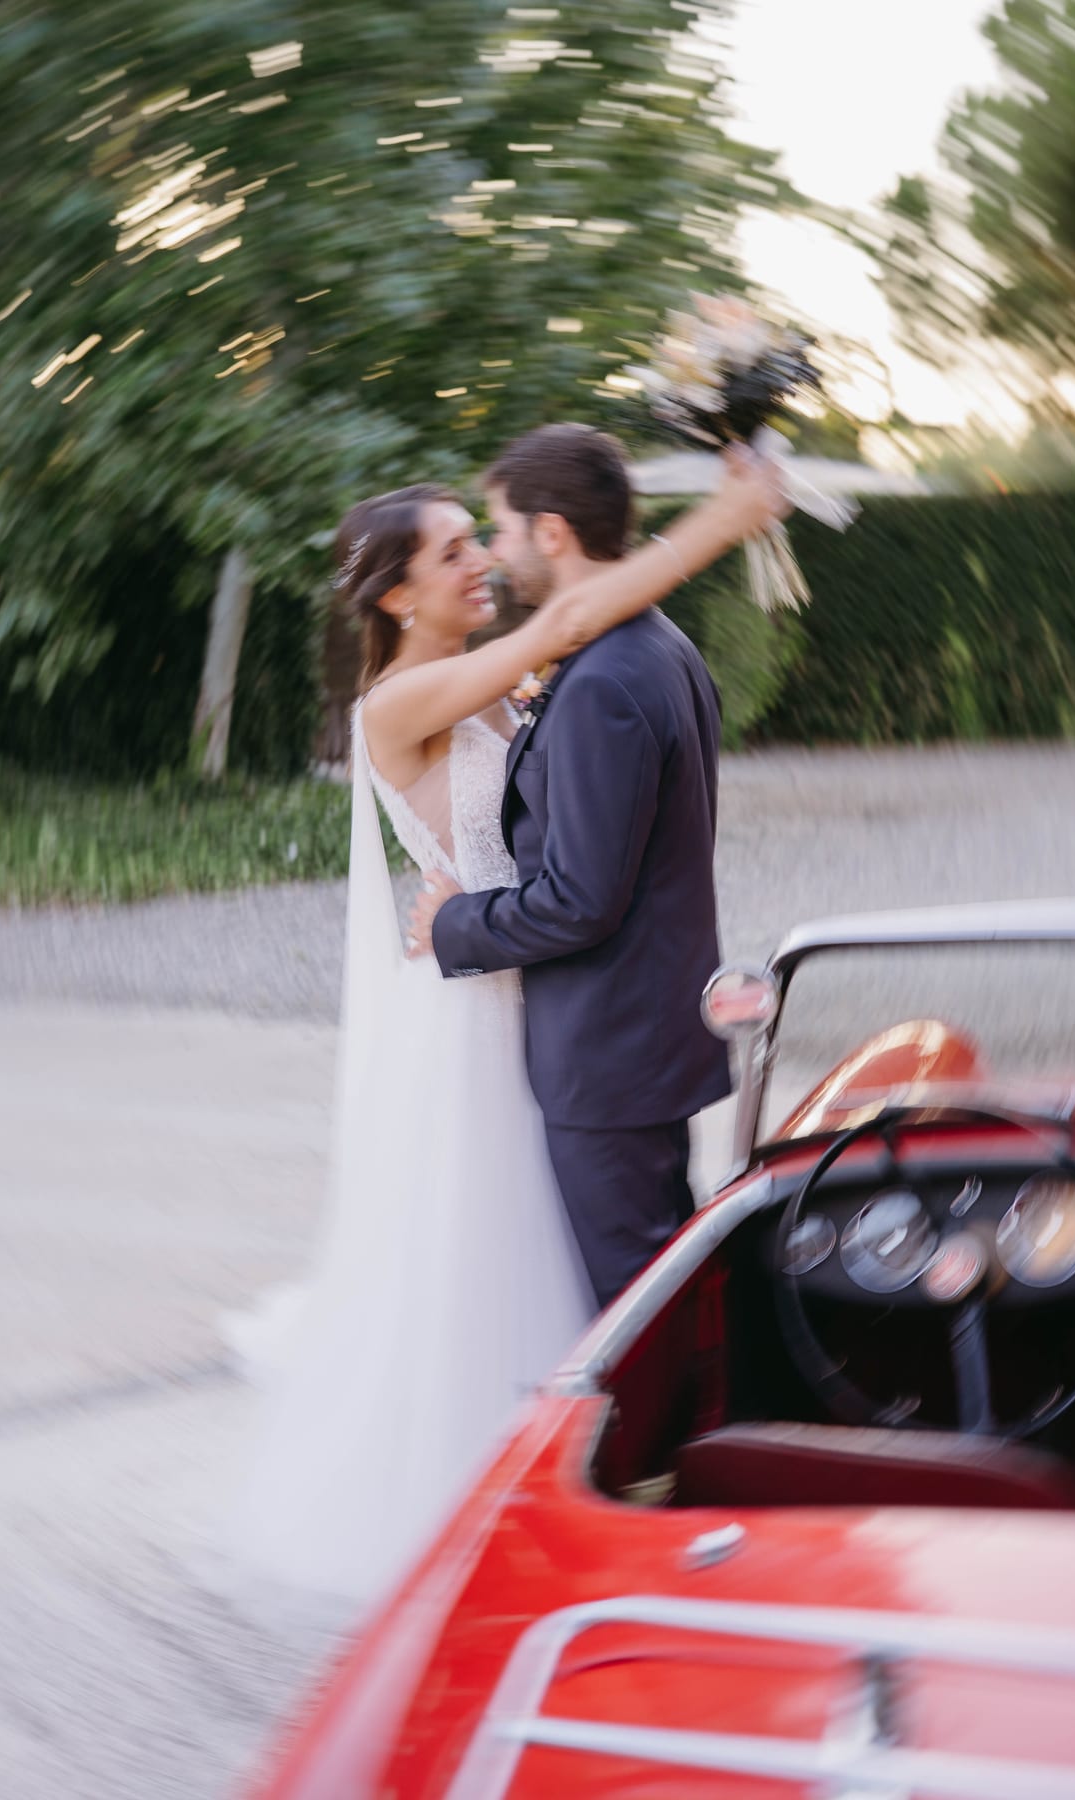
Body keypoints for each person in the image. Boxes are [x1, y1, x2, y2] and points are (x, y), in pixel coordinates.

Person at [223, 439, 783, 1620]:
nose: (479, 559)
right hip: (487, 1008)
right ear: (395, 596)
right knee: (526, 1259)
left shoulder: (501, 676)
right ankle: (586, 1491)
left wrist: (467, 915)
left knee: (587, 1259)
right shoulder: (401, 698)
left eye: (482, 536)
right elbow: (571, 619)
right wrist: (722, 521)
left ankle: (616, 1475)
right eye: (451, 552)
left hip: (541, 1001)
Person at [408, 424, 757, 1311]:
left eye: (501, 529)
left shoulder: (602, 678)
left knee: (635, 1312)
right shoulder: (658, 644)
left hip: (610, 1051)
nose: (496, 551)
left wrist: (454, 923)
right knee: (666, 1285)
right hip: (642, 1034)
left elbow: (580, 899)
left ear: (552, 531)